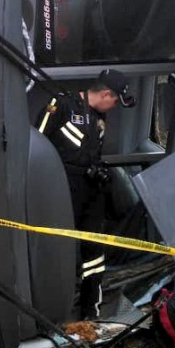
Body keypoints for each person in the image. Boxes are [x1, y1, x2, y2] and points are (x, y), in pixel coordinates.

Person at [35, 68, 135, 319]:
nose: (114, 106)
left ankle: (91, 311)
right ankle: (50, 310)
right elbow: (35, 145)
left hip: (90, 194)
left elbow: (94, 153)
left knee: (94, 252)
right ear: (105, 93)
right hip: (58, 190)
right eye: (115, 100)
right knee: (56, 249)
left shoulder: (100, 118)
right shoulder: (62, 105)